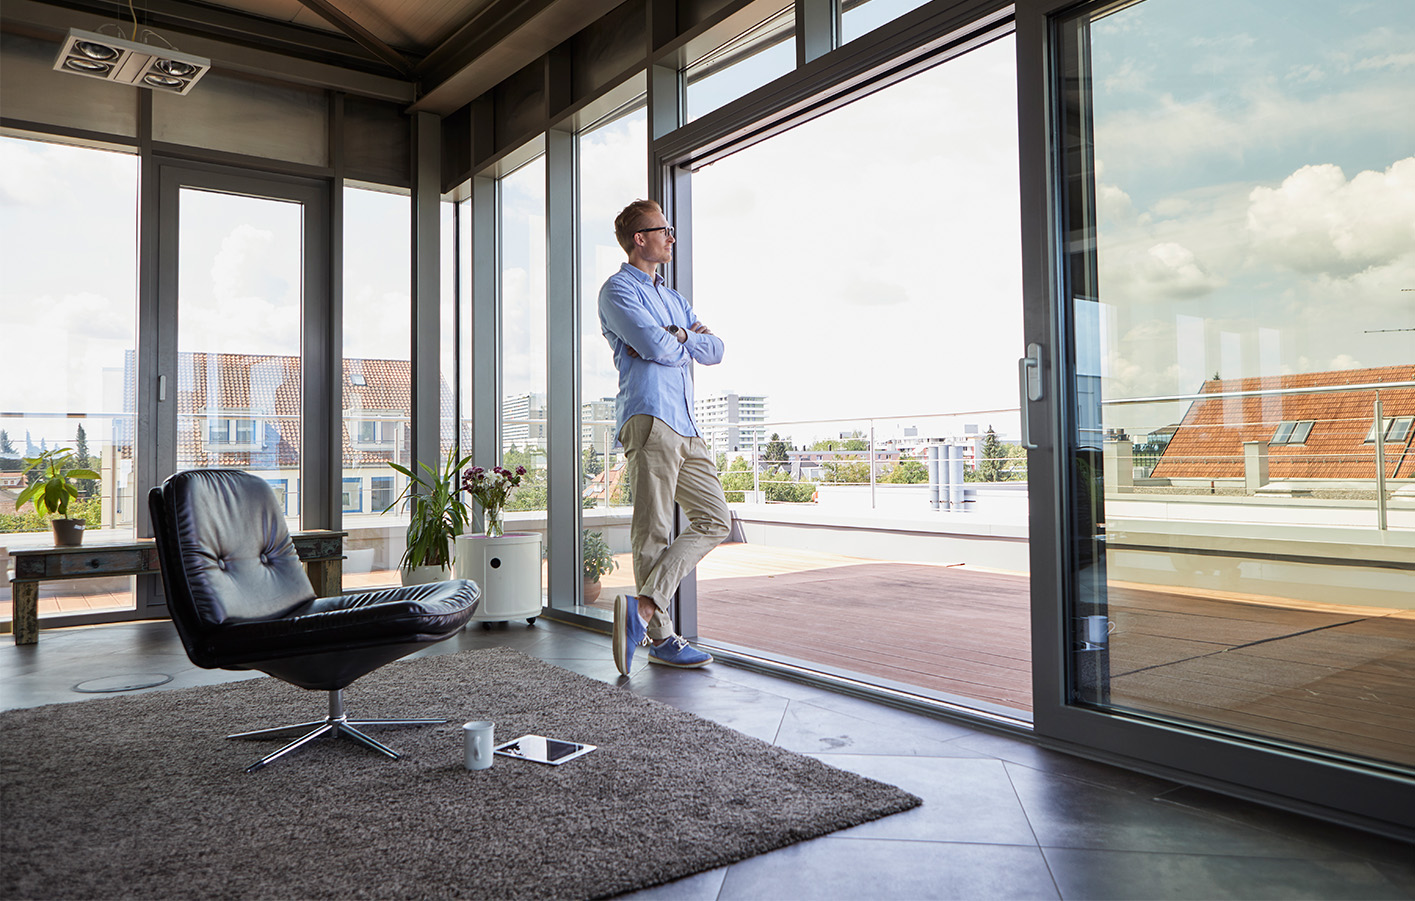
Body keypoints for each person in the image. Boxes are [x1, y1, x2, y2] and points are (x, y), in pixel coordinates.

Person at [598, 199, 730, 676]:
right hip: (650, 415)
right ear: (640, 238)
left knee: (715, 519)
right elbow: (653, 345)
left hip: (687, 423)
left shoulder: (673, 299)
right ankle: (662, 639)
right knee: (653, 528)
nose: (671, 237)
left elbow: (714, 350)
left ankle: (646, 607)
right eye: (664, 230)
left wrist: (675, 336)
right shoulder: (617, 291)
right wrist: (676, 341)